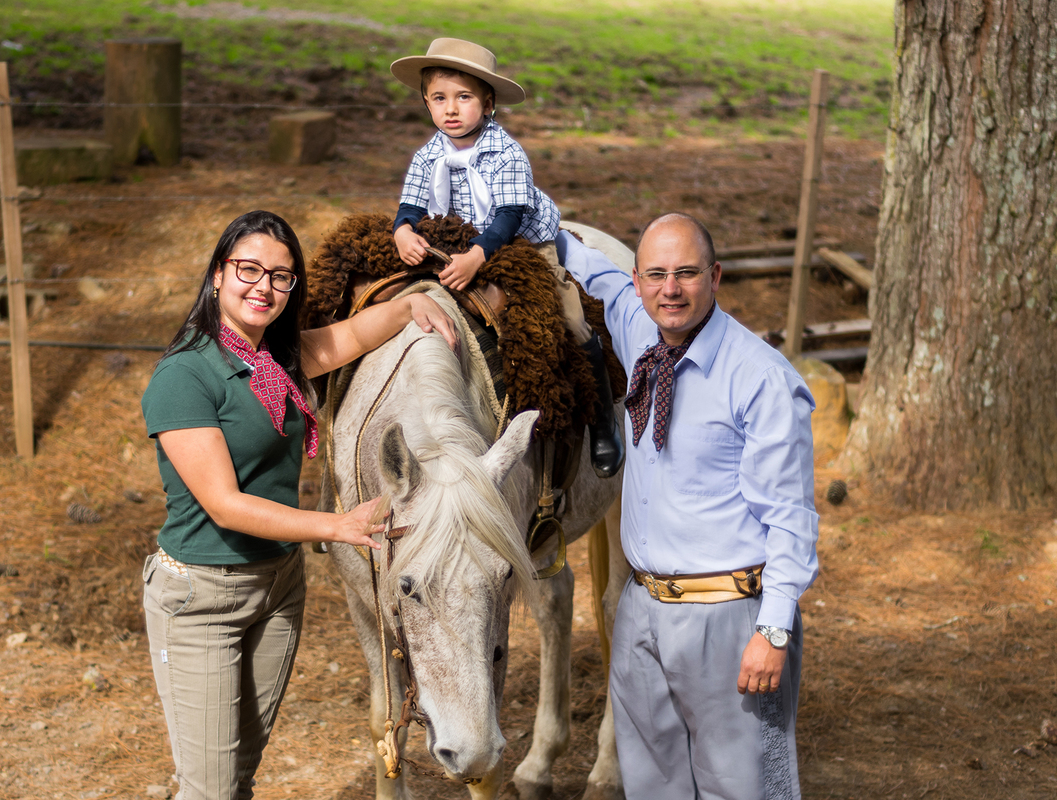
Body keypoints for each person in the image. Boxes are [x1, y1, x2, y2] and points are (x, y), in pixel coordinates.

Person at [140, 209, 458, 800]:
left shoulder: (273, 361)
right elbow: (225, 505)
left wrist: (411, 302)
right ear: (216, 275)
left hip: (277, 586)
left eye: (281, 277)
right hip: (201, 596)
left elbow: (353, 336)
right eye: (249, 270)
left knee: (235, 780)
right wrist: (337, 526)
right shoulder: (185, 375)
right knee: (208, 791)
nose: (264, 286)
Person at [557, 213, 819, 799]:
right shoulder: (637, 328)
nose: (669, 289)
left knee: (744, 790)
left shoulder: (761, 380)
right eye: (655, 275)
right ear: (638, 279)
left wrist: (772, 631)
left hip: (729, 616)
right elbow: (583, 262)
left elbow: (791, 520)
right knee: (652, 787)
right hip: (641, 613)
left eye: (685, 273)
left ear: (715, 276)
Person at [388, 37, 623, 478]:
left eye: (464, 98)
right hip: (457, 241)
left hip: (520, 241)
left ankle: (602, 418)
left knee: (567, 316)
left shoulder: (506, 151)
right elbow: (412, 205)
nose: (451, 109)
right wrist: (402, 229)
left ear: (488, 102)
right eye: (440, 99)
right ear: (426, 102)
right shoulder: (428, 155)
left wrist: (478, 257)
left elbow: (509, 217)